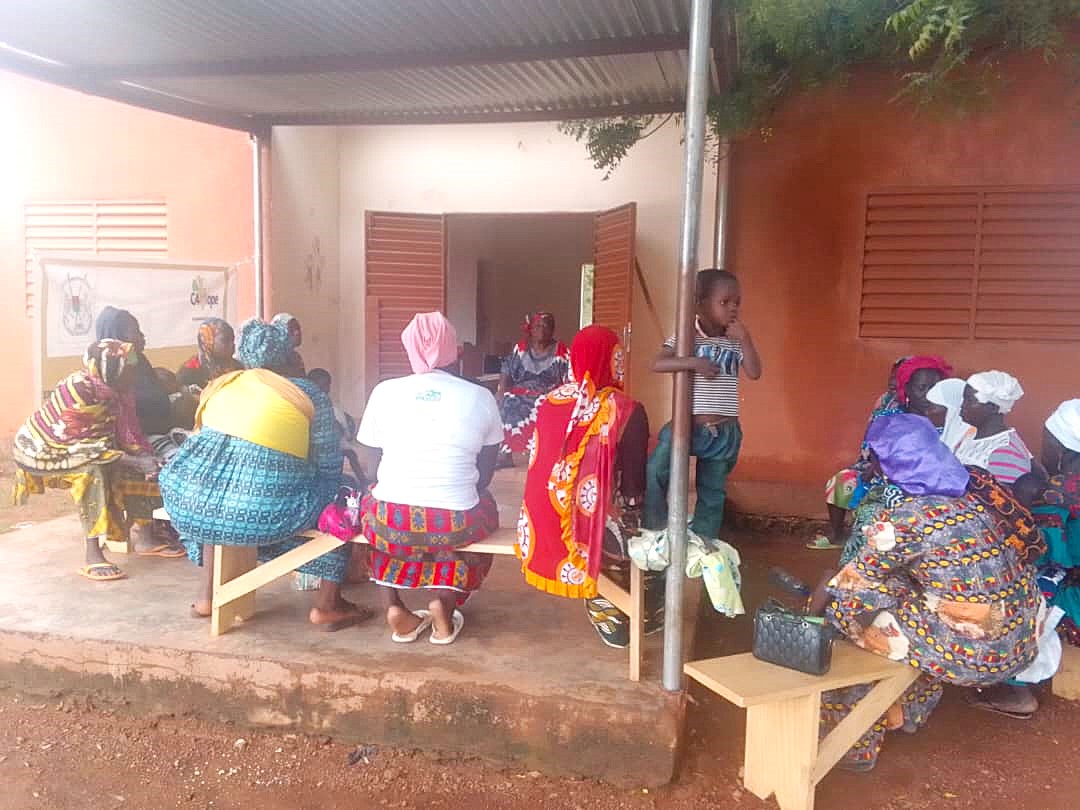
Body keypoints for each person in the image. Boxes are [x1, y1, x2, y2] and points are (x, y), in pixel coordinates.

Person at [820, 413, 1042, 770]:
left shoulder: (907, 518)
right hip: (1020, 637)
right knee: (904, 592)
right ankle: (908, 710)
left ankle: (854, 744)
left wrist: (820, 605)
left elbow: (854, 580)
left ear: (889, 464)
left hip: (975, 653)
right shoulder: (977, 496)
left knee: (847, 610)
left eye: (875, 458)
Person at [159, 318, 364, 630]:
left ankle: (206, 597)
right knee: (345, 498)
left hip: (190, 503)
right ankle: (328, 604)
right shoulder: (307, 393)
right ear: (286, 354)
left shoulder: (221, 385)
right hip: (263, 513)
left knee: (220, 497)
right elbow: (329, 463)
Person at [357, 312, 503, 645]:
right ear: (455, 350)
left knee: (376, 513)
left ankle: (394, 607)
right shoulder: (480, 396)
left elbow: (371, 470)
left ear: (409, 348)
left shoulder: (384, 392)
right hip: (455, 520)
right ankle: (444, 604)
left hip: (391, 519)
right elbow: (485, 475)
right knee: (480, 515)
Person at [517, 325, 662, 648]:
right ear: (613, 361)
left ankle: (603, 608)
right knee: (656, 532)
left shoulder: (549, 401)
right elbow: (634, 490)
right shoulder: (626, 409)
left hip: (539, 526)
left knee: (597, 508)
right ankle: (628, 616)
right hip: (588, 534)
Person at [12, 340, 184, 581]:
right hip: (45, 449)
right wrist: (135, 461)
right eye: (129, 369)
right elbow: (84, 448)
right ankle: (92, 555)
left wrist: (146, 458)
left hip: (89, 446)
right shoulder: (78, 390)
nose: (134, 375)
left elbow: (123, 434)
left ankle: (145, 538)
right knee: (93, 472)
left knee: (142, 462)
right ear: (111, 369)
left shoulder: (119, 392)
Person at [645, 268, 762, 541]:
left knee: (712, 492)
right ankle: (655, 530)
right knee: (656, 470)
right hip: (687, 426)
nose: (733, 308)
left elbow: (755, 372)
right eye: (725, 302)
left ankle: (703, 541)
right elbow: (657, 363)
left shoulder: (736, 341)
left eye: (737, 302)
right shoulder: (687, 336)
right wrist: (693, 363)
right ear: (701, 304)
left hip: (723, 431)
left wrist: (746, 339)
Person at [812, 356, 952, 550]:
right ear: (907, 389)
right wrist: (879, 469)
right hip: (891, 483)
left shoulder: (953, 419)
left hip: (937, 488)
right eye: (922, 387)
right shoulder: (888, 417)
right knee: (870, 510)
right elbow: (876, 453)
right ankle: (846, 541)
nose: (929, 394)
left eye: (934, 387)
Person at [496, 311, 570, 461]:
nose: (541, 329)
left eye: (546, 326)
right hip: (520, 393)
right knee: (507, 401)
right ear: (531, 329)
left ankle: (543, 455)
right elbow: (506, 367)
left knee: (546, 404)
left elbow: (569, 377)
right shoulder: (521, 348)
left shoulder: (561, 351)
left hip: (549, 395)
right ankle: (506, 453)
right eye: (538, 326)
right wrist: (501, 389)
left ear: (552, 329)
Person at [95, 306, 173, 437]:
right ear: (116, 337)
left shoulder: (140, 361)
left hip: (160, 432)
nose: (142, 336)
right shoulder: (103, 376)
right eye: (135, 331)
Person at [955, 370, 1032, 484]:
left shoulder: (1005, 452)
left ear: (992, 408)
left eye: (969, 400)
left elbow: (1003, 494)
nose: (962, 405)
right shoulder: (970, 435)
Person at [307, 367, 364, 484]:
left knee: (350, 453)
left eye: (327, 385)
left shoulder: (333, 408)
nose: (325, 389)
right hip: (318, 448)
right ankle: (363, 482)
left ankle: (363, 482)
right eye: (322, 385)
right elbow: (346, 433)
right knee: (350, 454)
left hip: (329, 447)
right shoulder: (330, 408)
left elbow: (346, 431)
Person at [177, 318, 239, 390]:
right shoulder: (189, 373)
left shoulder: (237, 367)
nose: (232, 345)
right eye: (225, 340)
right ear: (207, 341)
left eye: (232, 340)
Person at [273, 312, 306, 377]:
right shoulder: (274, 358)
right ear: (280, 332)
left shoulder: (296, 357)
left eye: (298, 328)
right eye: (291, 329)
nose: (297, 332)